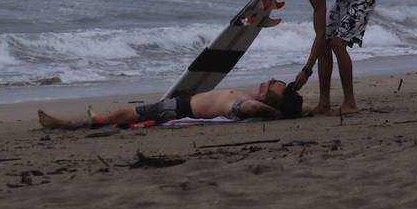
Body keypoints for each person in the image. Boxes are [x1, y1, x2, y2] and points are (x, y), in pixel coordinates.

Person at [267, 0, 375, 115]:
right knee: (324, 45)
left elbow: (320, 34)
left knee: (337, 44)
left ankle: (350, 104)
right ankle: (324, 104)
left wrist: (307, 70)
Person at [37, 79, 303, 129]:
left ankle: (67, 124)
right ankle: (98, 117)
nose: (274, 80)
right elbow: (305, 110)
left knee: (130, 114)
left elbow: (251, 110)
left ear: (273, 99)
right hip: (184, 102)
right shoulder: (254, 98)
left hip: (180, 109)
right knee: (130, 114)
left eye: (277, 85)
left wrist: (276, 114)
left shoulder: (248, 104)